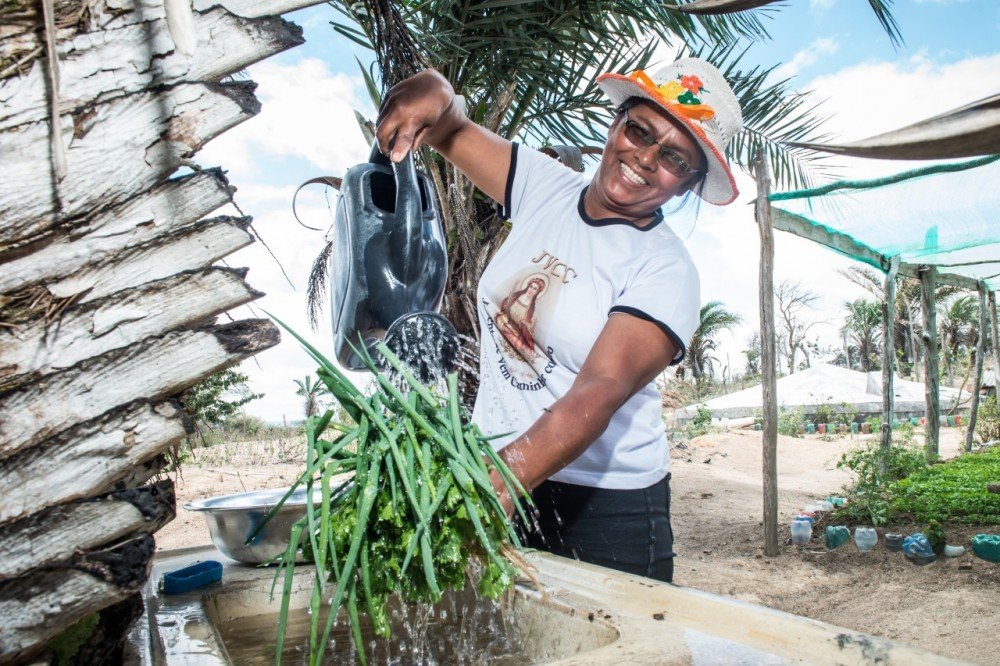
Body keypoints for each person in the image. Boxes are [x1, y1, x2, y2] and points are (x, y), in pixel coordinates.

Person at [375, 58, 744, 583]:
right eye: (639, 130)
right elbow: (449, 127)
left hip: (604, 506)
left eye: (675, 159)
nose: (644, 156)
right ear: (615, 125)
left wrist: (501, 478)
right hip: (497, 465)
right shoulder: (544, 186)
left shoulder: (666, 269)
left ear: (686, 186)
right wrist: (434, 88)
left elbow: (598, 389)